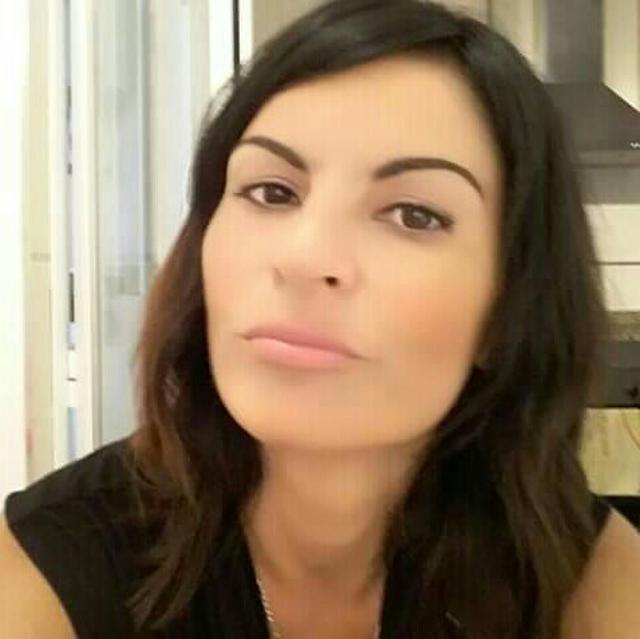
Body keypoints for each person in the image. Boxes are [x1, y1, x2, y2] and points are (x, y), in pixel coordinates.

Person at [1, 0, 639, 637]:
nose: (306, 258)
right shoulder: (46, 573)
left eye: (414, 214)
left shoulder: (593, 584)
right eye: (271, 191)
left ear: (508, 311)